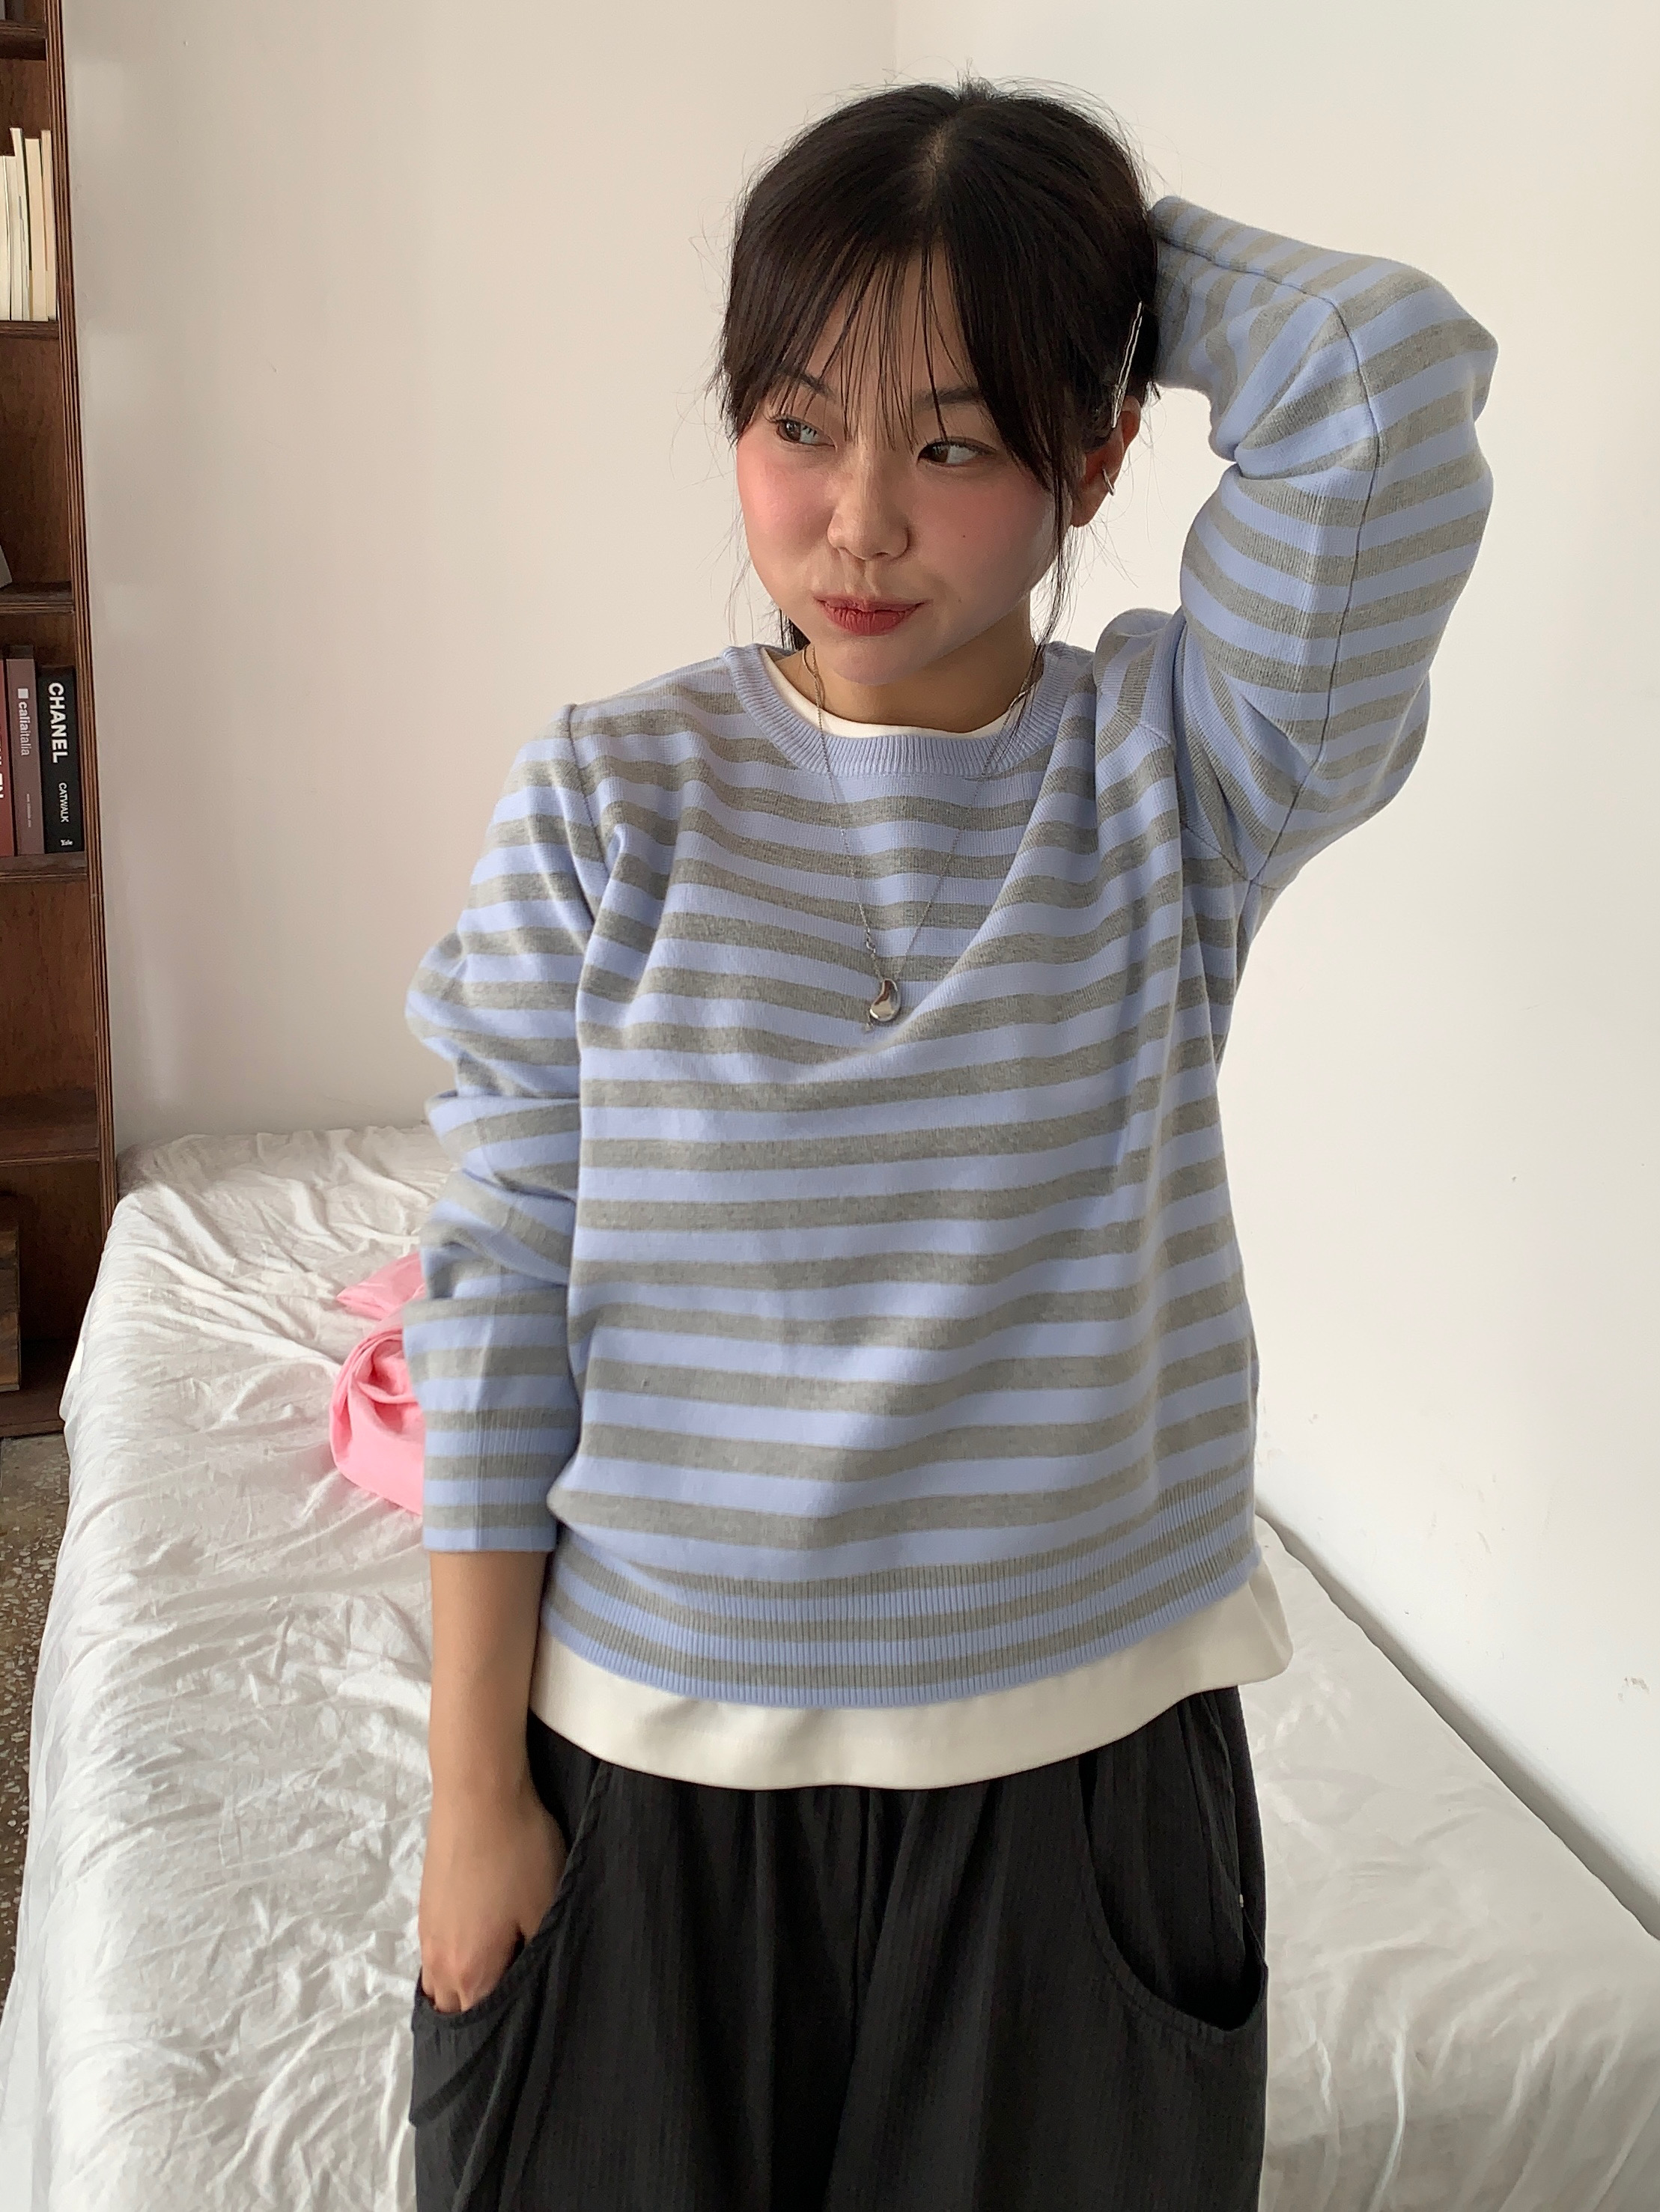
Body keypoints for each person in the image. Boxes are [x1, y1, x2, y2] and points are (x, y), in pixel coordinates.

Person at [401, 73, 1496, 2212]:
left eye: (958, 442)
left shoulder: (1178, 772)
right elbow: (501, 1285)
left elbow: (1381, 374)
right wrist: (470, 1793)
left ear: (1095, 450)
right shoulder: (608, 797)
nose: (857, 523)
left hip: (1080, 1791)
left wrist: (1082, 265)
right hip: (640, 1775)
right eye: (796, 424)